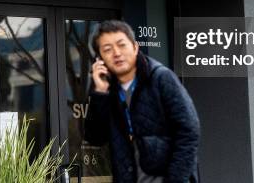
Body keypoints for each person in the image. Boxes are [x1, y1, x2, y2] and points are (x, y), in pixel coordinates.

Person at [84, 20, 200, 183]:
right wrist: (100, 93)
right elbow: (95, 138)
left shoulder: (160, 78)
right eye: (107, 49)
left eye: (122, 45)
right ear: (100, 58)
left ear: (135, 47)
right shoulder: (107, 91)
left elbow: (189, 131)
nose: (116, 53)